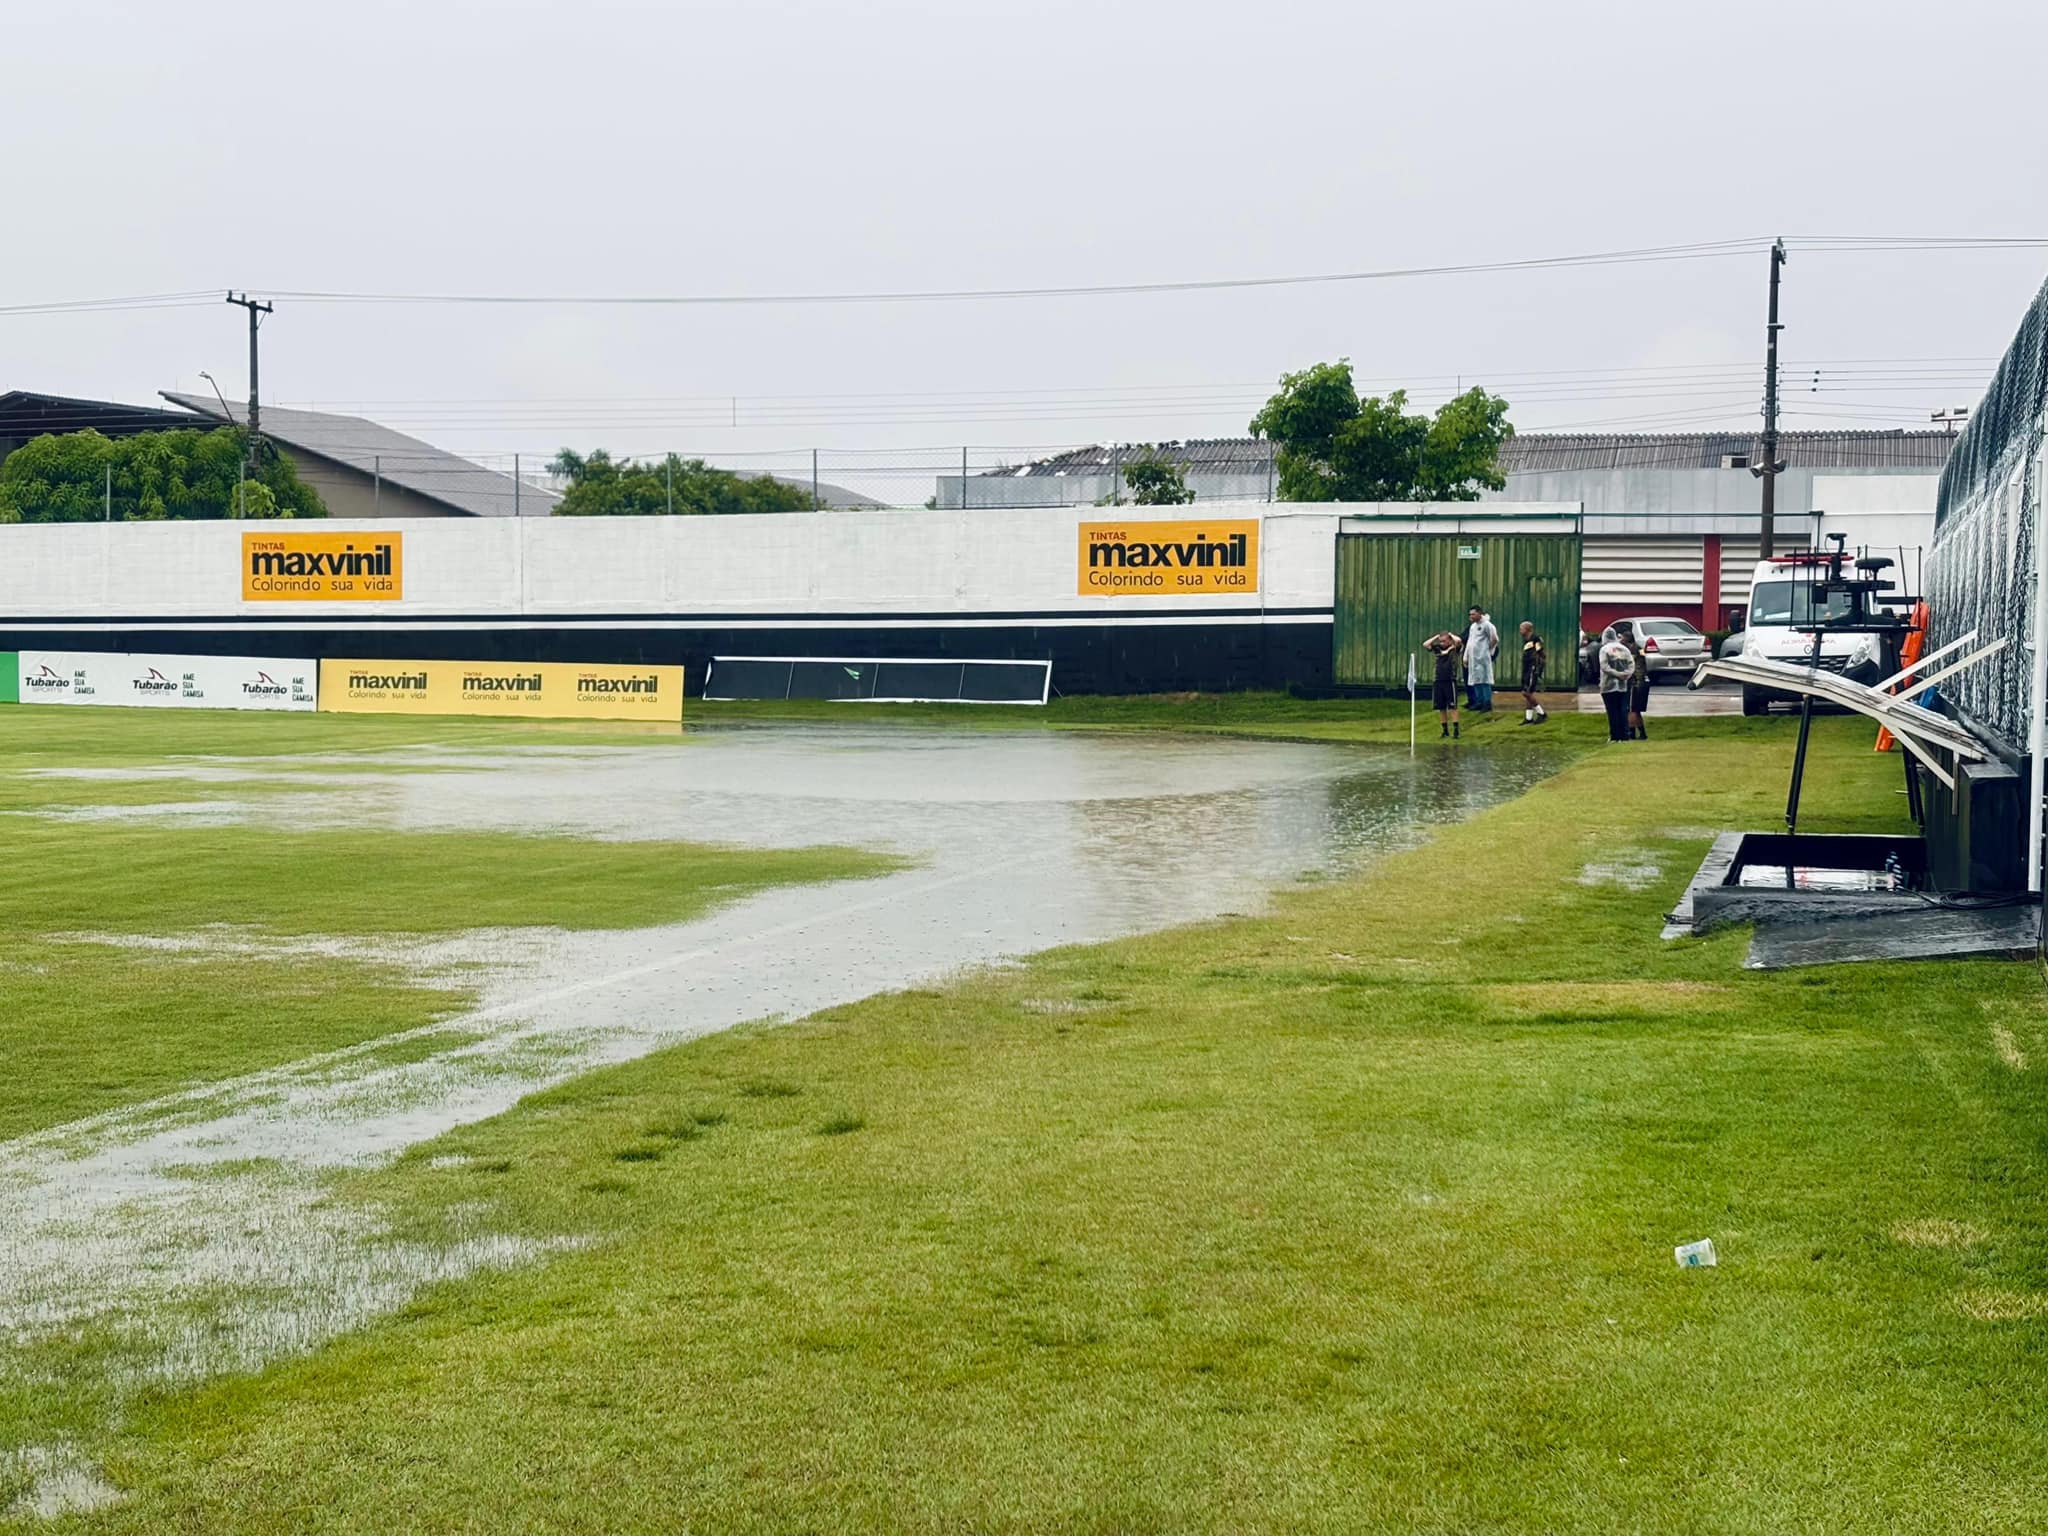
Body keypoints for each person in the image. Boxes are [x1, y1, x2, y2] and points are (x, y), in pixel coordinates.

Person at [1597, 624, 1635, 742]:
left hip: (1608, 686)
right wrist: (1626, 675)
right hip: (1623, 685)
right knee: (1623, 710)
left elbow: (1604, 666)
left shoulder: (1604, 649)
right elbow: (1631, 664)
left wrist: (1616, 674)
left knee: (1612, 711)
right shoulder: (1624, 648)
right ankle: (1625, 735)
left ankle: (1615, 736)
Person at [1425, 629, 1463, 739]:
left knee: (1453, 706)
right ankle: (1445, 730)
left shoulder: (1454, 649)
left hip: (1449, 679)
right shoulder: (1438, 649)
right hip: (1438, 680)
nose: (1442, 643)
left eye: (1444, 641)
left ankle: (1456, 730)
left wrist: (1451, 635)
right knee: (1441, 707)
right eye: (1440, 641)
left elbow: (1459, 641)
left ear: (1449, 641)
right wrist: (1436, 636)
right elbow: (1426, 644)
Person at [1463, 605, 1500, 711]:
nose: (1471, 616)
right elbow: (1470, 642)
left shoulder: (1487, 625)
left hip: (1483, 657)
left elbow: (1494, 639)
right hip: (1473, 658)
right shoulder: (1473, 627)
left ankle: (1487, 702)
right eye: (1470, 614)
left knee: (1484, 679)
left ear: (1479, 613)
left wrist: (1488, 650)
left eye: (1473, 614)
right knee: (1475, 679)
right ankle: (1479, 701)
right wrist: (1466, 657)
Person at [1618, 619, 1651, 740]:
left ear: (1626, 639)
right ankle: (1642, 734)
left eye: (1621, 639)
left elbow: (1629, 665)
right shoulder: (1639, 647)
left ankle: (1631, 733)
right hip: (1643, 680)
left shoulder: (1630, 650)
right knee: (1636, 710)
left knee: (1631, 709)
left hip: (1636, 682)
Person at [1517, 621, 1547, 725]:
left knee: (1527, 692)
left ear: (1528, 629)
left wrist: (1539, 668)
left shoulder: (1535, 639)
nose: (1520, 631)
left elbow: (1541, 653)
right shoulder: (1526, 640)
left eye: (1522, 628)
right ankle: (1528, 717)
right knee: (1527, 693)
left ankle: (1541, 713)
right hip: (1526, 667)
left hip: (1532, 668)